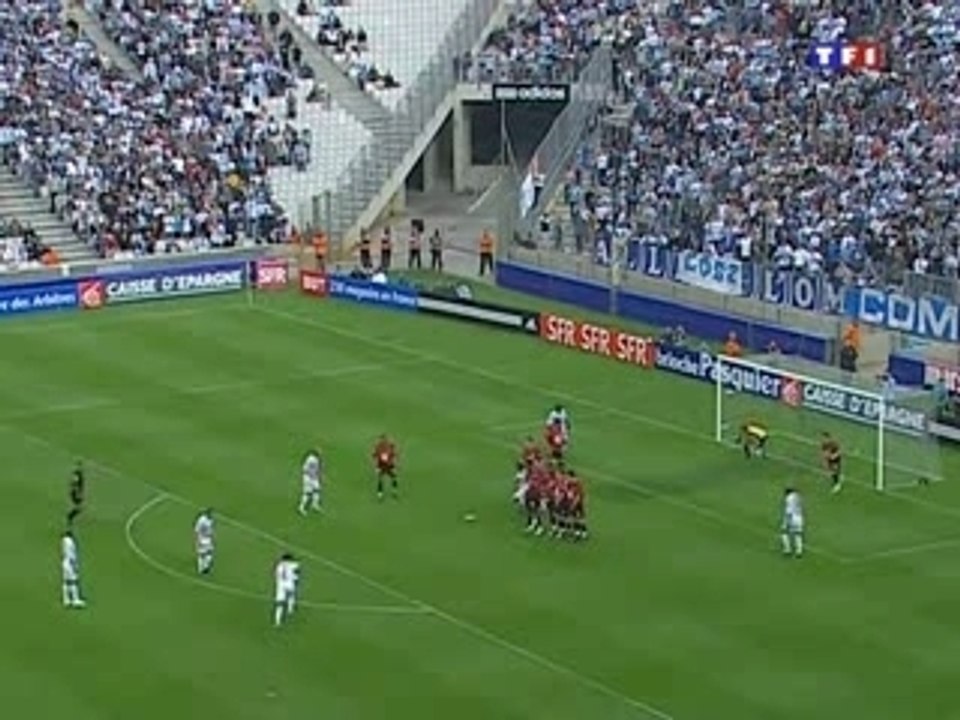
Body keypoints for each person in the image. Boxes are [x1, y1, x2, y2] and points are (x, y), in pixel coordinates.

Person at [273, 553, 300, 627]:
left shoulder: (278, 566)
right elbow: (296, 575)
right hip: (289, 584)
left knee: (279, 604)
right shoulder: (294, 565)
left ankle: (277, 621)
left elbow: (276, 576)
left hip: (281, 586)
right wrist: (296, 579)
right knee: (292, 595)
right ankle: (290, 609)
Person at [61, 530, 85, 608]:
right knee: (74, 581)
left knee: (66, 581)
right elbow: (72, 555)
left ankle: (66, 600)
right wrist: (75, 565)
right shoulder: (70, 543)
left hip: (64, 562)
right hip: (70, 563)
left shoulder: (63, 541)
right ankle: (75, 600)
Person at [372, 434, 398, 499]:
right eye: (382, 439)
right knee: (380, 479)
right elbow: (375, 456)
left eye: (383, 439)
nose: (383, 441)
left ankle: (393, 491)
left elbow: (393, 455)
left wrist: (393, 465)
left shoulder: (388, 446)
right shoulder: (379, 447)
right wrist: (376, 466)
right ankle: (380, 494)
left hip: (388, 465)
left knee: (393, 477)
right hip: (382, 465)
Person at [780, 487, 804, 558]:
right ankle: (799, 552)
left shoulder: (789, 498)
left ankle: (787, 550)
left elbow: (789, 510)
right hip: (799, 517)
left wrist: (787, 521)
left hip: (792, 517)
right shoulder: (798, 496)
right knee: (798, 534)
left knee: (784, 532)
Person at [298, 448, 323, 515]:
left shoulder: (317, 459)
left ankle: (314, 505)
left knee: (317, 490)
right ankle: (301, 508)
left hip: (314, 478)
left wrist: (318, 475)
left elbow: (317, 469)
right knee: (307, 493)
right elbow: (305, 468)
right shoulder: (310, 459)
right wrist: (311, 475)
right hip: (308, 478)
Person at [194, 509, 215, 575]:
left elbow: (210, 530)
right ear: (207, 514)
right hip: (202, 538)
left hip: (208, 538)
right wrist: (197, 539)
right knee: (202, 554)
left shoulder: (210, 520)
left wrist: (212, 537)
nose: (212, 515)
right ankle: (201, 569)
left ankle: (205, 567)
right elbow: (197, 530)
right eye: (211, 514)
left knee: (209, 552)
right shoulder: (201, 520)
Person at [67, 460, 85, 527]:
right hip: (76, 492)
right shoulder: (77, 474)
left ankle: (70, 518)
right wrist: (78, 493)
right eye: (80, 466)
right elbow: (75, 484)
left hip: (77, 492)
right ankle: (70, 517)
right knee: (78, 507)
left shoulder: (78, 474)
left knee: (79, 507)